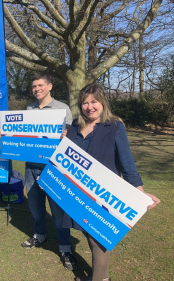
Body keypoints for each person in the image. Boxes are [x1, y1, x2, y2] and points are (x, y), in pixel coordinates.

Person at [61, 84, 160, 281]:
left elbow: (127, 162)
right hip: (79, 193)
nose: (89, 107)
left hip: (103, 194)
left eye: (94, 102)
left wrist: (139, 192)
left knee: (99, 239)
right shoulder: (73, 127)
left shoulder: (115, 126)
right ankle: (102, 277)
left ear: (103, 102)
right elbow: (64, 158)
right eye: (85, 103)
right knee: (90, 236)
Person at [21, 72, 77, 270]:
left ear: (50, 86)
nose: (37, 89)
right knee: (36, 208)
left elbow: (71, 139)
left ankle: (65, 248)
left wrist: (66, 136)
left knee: (58, 212)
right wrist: (7, 134)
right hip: (31, 167)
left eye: (40, 85)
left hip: (54, 168)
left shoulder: (62, 108)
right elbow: (25, 136)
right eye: (34, 86)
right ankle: (40, 237)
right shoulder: (29, 108)